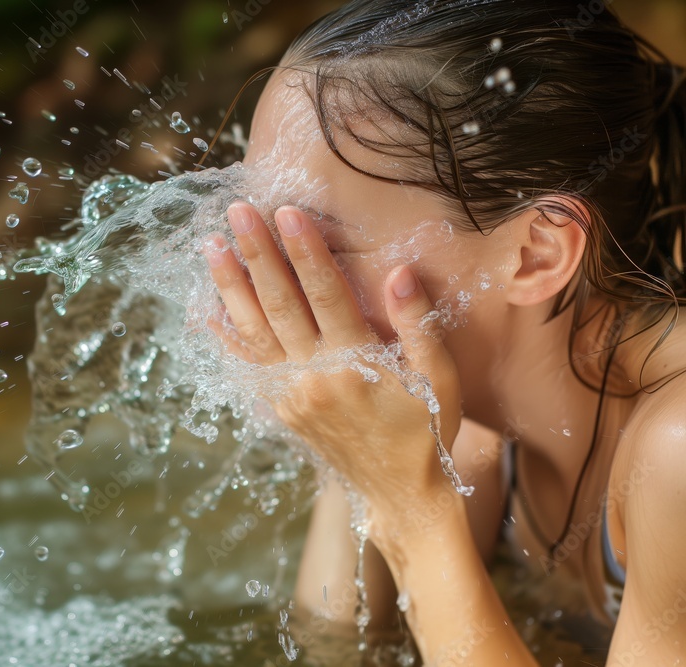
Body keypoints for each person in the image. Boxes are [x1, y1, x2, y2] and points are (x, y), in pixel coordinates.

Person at [201, 0, 686, 663]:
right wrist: (351, 452)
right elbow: (336, 648)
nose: (272, 291)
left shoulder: (676, 452)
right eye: (262, 238)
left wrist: (413, 510)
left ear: (536, 253)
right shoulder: (479, 442)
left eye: (320, 248)